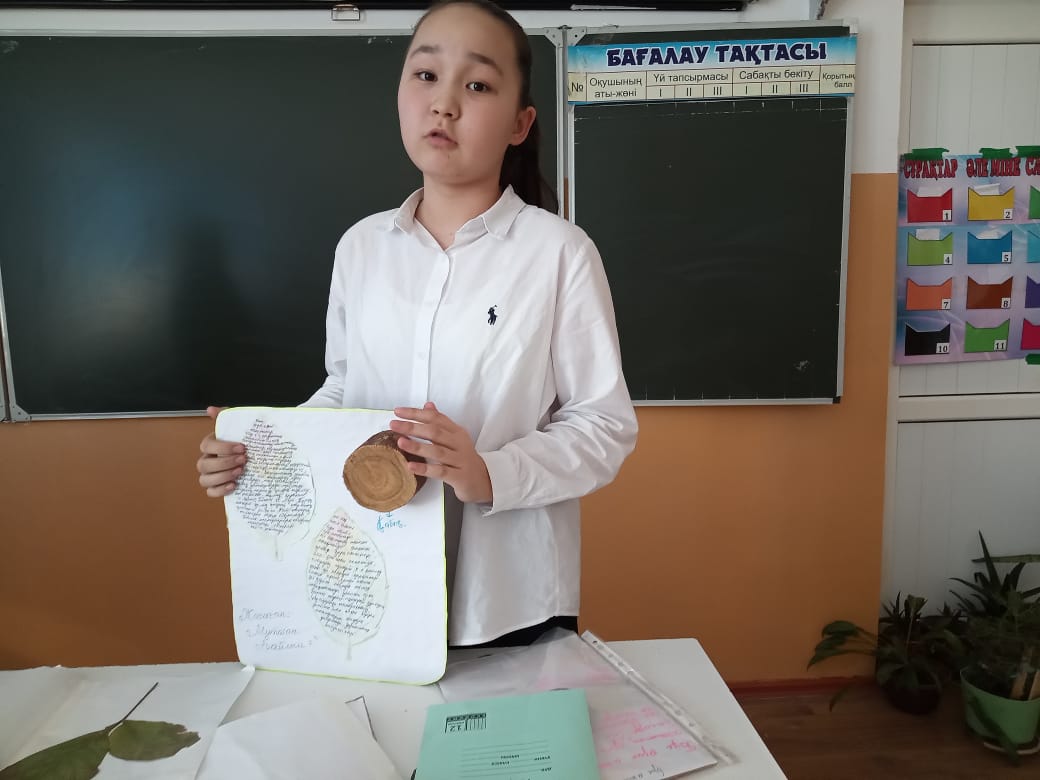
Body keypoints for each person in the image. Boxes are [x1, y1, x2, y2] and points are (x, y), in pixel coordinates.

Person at [196, 0, 637, 648]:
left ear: (520, 123)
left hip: (508, 597)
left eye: (477, 85)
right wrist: (261, 449)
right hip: (375, 573)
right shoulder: (362, 248)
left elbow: (602, 425)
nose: (444, 103)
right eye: (425, 75)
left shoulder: (558, 253)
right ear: (400, 95)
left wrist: (489, 472)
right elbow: (345, 389)